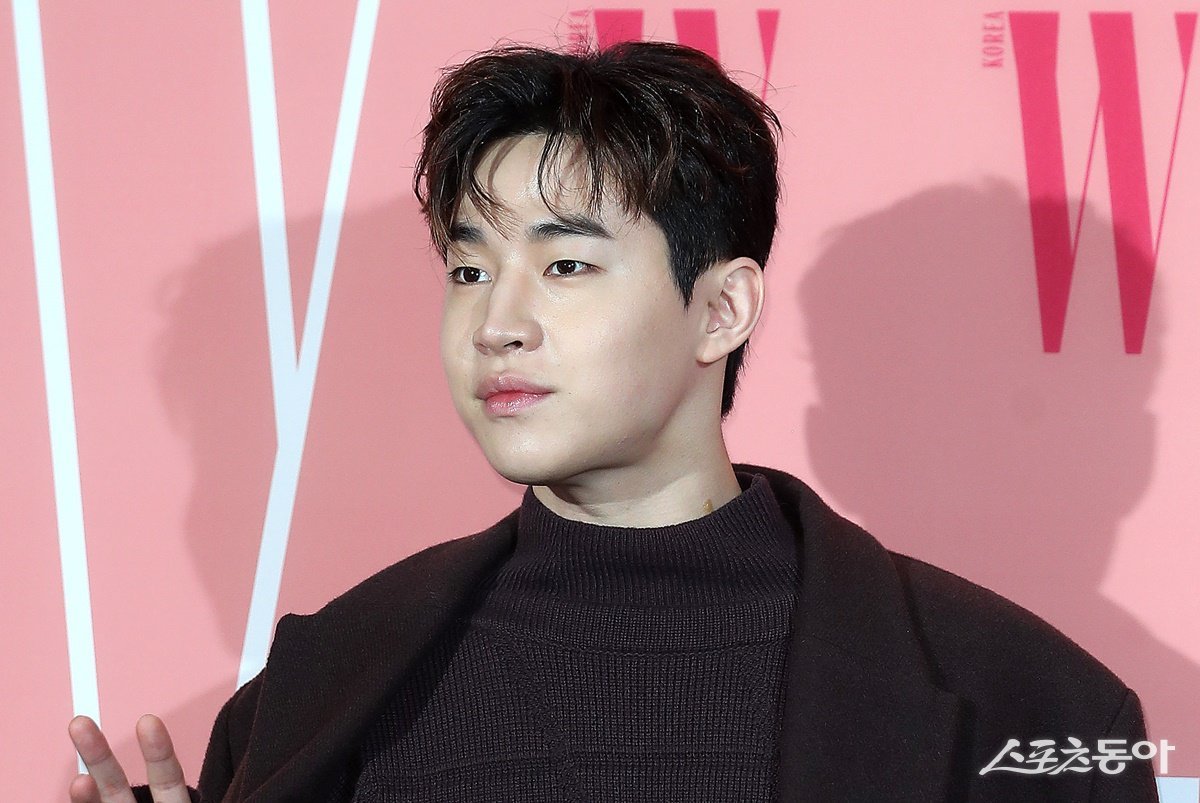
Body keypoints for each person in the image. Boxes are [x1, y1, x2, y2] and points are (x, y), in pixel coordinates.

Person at [67, 40, 1160, 802]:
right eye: (468, 269)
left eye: (568, 264)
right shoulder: (311, 694)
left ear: (720, 309)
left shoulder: (1030, 704)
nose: (497, 323)